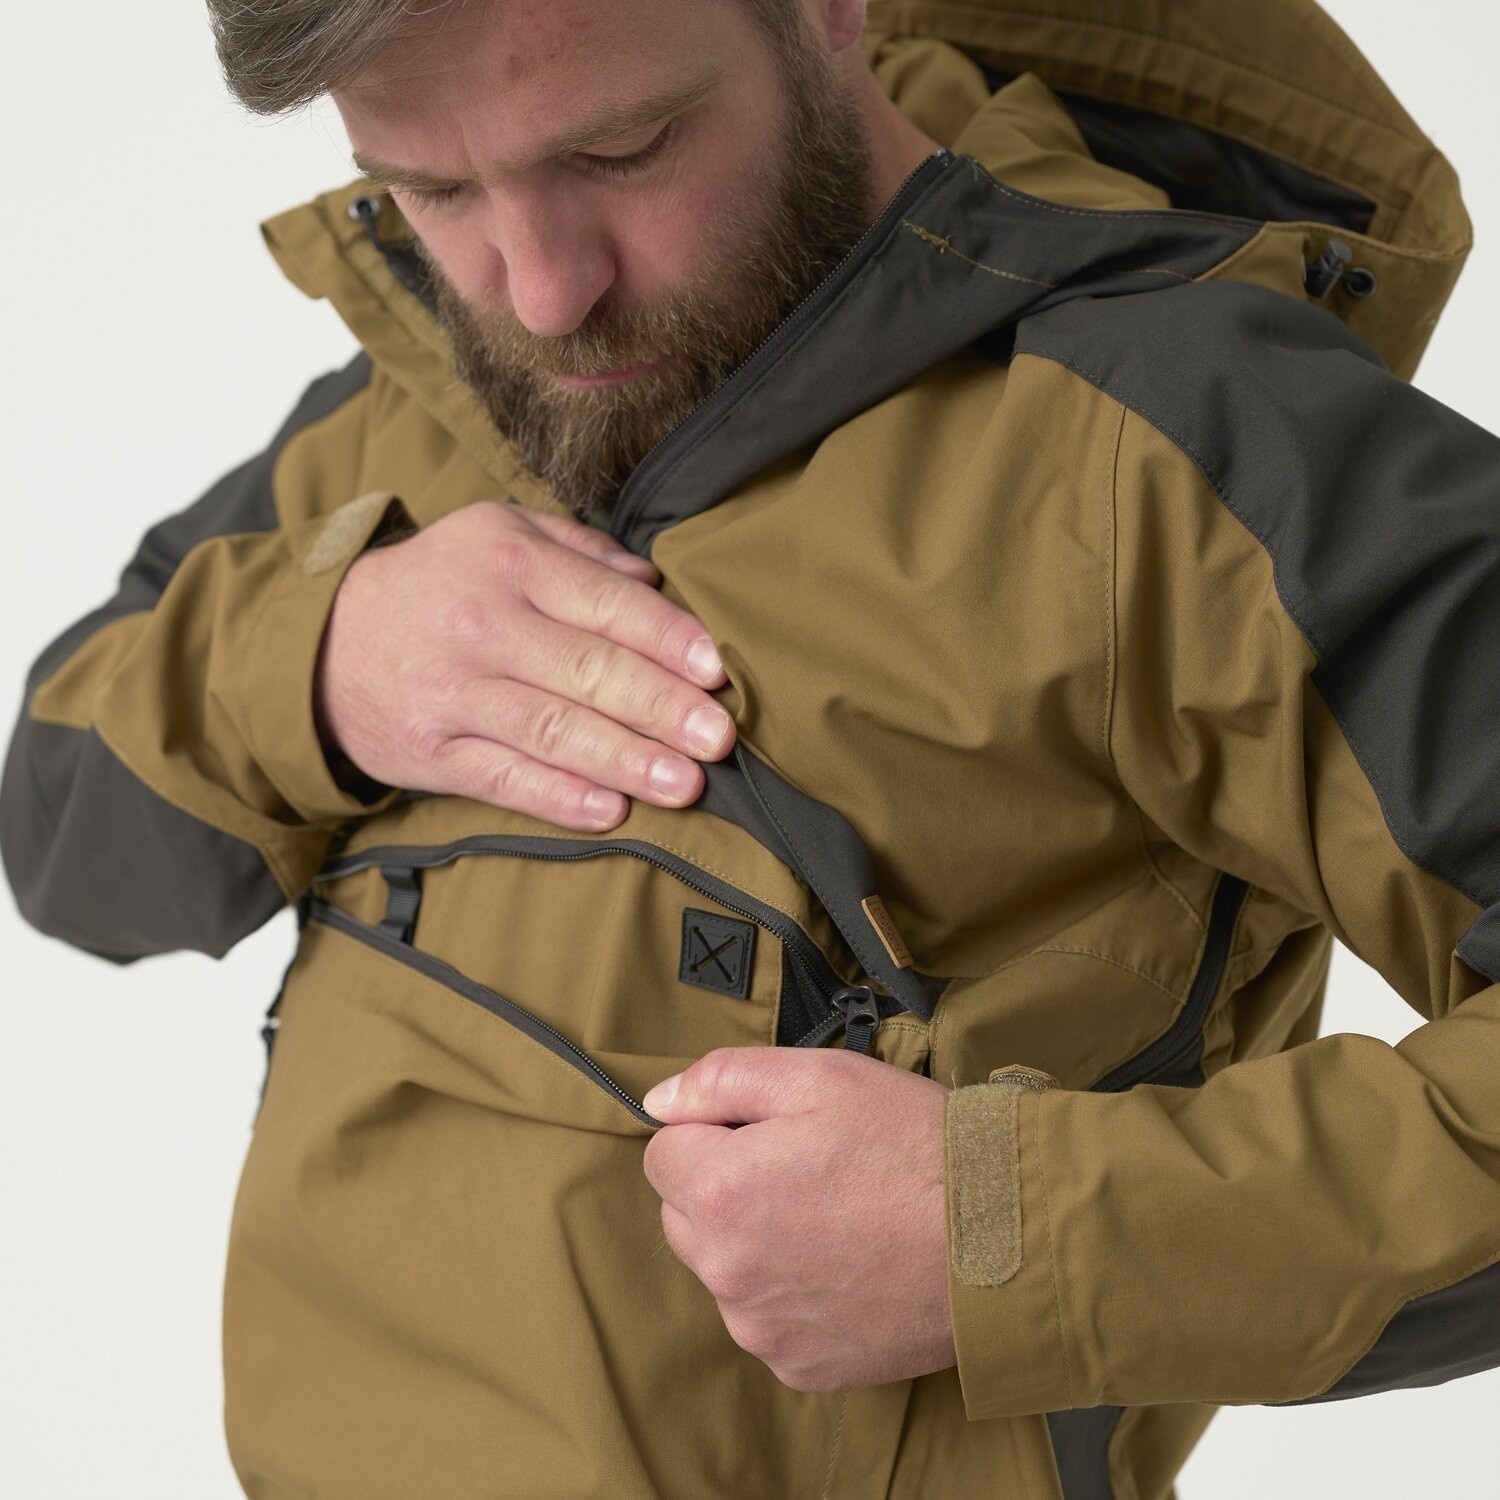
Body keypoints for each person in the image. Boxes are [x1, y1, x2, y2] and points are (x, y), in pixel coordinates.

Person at [3, 0, 1499, 1496]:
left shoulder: (1192, 435)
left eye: (622, 149)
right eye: (432, 189)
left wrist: (1007, 1235)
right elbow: (56, 828)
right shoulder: (419, 384)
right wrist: (319, 667)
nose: (542, 297)